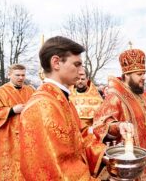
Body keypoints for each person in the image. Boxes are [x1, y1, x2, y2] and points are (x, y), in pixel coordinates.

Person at [19, 36, 105, 180]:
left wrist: (107, 154)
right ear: (56, 62)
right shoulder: (43, 106)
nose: (81, 70)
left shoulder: (61, 99)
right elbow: (60, 171)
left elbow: (80, 135)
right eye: (77, 64)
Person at [92, 47, 146, 180]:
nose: (144, 77)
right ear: (127, 75)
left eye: (144, 73)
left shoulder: (140, 95)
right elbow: (100, 125)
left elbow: (145, 118)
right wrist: (118, 126)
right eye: (139, 74)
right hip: (127, 163)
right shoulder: (115, 96)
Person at [0, 64, 35, 180]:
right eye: (17, 75)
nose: (21, 78)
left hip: (28, 135)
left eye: (23, 75)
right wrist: (12, 110)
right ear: (9, 75)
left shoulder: (31, 90)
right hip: (8, 137)